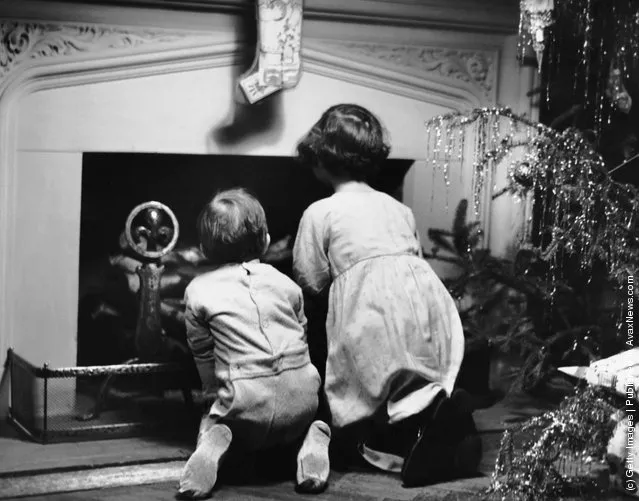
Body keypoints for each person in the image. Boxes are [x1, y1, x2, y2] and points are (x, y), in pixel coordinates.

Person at [292, 103, 481, 487]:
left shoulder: (320, 212)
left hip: (370, 311)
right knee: (413, 377)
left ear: (323, 159)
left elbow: (309, 278)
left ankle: (399, 442)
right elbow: (410, 264)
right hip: (426, 308)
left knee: (361, 390)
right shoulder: (399, 208)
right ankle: (436, 421)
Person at [178, 188, 331, 499]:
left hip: (243, 403)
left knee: (216, 418)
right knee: (304, 415)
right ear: (264, 241)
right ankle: (314, 437)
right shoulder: (286, 284)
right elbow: (301, 336)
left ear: (206, 251)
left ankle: (213, 443)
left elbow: (202, 350)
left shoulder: (198, 290)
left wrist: (211, 393)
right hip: (302, 397)